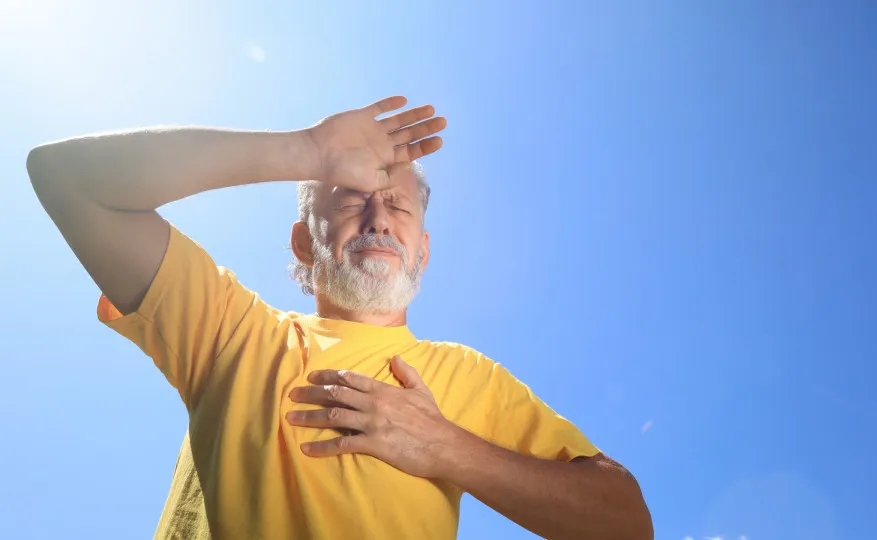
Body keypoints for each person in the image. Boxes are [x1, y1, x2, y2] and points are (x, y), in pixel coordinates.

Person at [27, 96, 653, 539]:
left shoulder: (471, 377)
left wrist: (445, 447)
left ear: (424, 249)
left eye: (399, 208)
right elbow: (65, 178)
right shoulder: (232, 332)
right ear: (305, 242)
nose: (379, 218)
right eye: (351, 198)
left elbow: (626, 523)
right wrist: (306, 150)